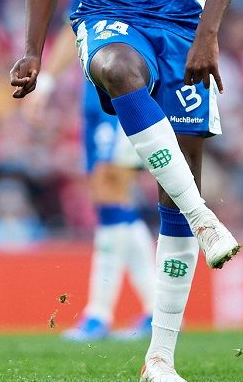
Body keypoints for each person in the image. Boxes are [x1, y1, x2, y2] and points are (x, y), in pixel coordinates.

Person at [11, 0, 243, 382]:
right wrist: (33, 50)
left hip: (179, 20)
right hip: (106, 14)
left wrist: (209, 34)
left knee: (171, 199)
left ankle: (160, 359)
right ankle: (204, 218)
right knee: (114, 66)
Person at [28, 21, 154, 341]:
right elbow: (75, 26)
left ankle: (99, 313)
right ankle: (156, 309)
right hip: (96, 98)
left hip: (124, 88)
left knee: (110, 189)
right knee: (112, 198)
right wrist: (47, 83)